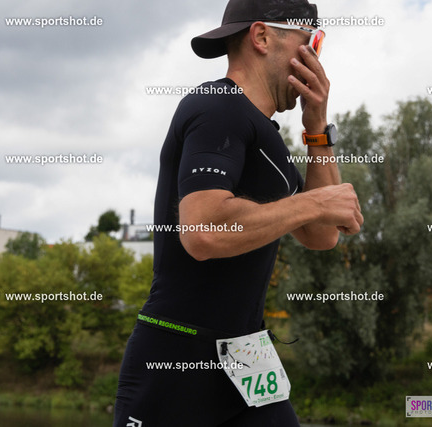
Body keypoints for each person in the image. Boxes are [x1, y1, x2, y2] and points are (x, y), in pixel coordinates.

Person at [114, 0, 363, 425]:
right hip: (178, 353)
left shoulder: (268, 136)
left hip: (248, 354)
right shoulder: (217, 106)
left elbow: (322, 235)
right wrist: (314, 202)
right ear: (262, 37)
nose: (316, 59)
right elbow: (203, 232)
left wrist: (317, 128)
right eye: (312, 41)